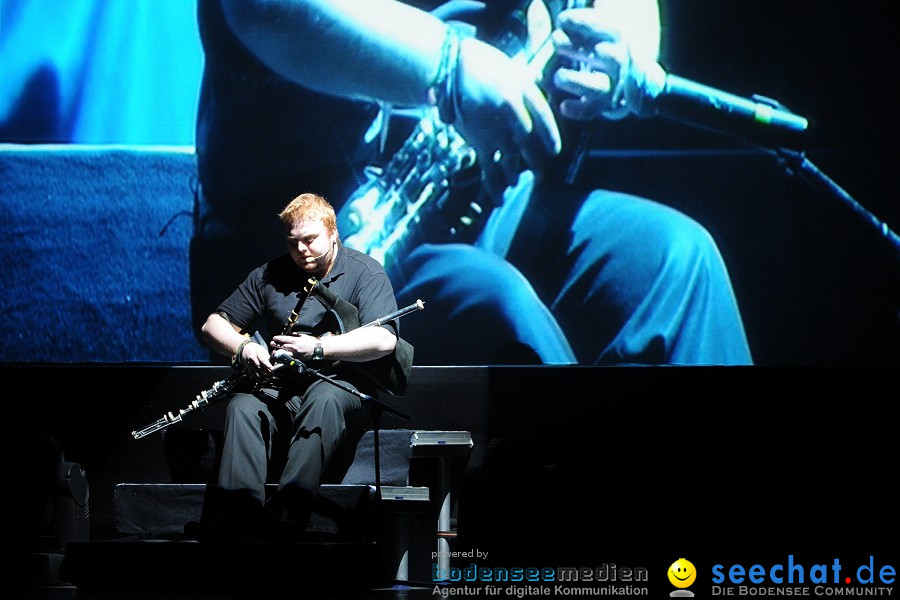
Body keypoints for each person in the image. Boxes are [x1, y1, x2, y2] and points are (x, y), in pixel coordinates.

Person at [192, 0, 753, 366]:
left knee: (678, 263)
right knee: (498, 314)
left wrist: (624, 46)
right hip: (304, 241)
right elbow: (261, 8)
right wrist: (448, 67)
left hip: (481, 204)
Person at [190, 192, 402, 541]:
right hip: (281, 385)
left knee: (325, 401)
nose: (302, 250)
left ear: (333, 233)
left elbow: (384, 340)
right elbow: (212, 325)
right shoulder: (270, 275)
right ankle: (239, 516)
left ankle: (289, 515)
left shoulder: (365, 272)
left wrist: (320, 347)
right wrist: (243, 347)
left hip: (339, 384)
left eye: (310, 240)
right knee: (243, 406)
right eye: (294, 243)